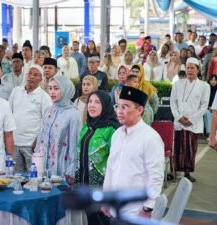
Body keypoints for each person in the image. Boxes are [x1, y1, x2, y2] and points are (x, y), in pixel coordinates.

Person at [102, 86, 164, 223]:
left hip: (135, 212)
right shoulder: (117, 134)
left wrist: (147, 208)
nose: (119, 111)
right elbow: (111, 170)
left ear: (139, 110)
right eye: (118, 106)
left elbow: (156, 176)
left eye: (125, 107)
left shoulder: (150, 138)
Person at [76, 90, 119, 225]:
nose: (92, 105)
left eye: (97, 102)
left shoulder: (111, 130)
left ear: (106, 105)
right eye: (90, 102)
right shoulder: (87, 128)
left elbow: (117, 163)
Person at [34, 75, 81, 182]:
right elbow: (40, 139)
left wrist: (71, 170)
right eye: (50, 88)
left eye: (56, 88)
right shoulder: (48, 111)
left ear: (65, 89)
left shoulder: (73, 113)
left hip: (62, 169)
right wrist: (37, 164)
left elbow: (75, 143)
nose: (52, 92)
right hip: (44, 168)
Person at [170, 57, 210, 182]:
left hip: (194, 123)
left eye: (193, 68)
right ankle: (174, 170)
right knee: (177, 147)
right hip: (179, 122)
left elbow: (204, 106)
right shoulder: (177, 84)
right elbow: (173, 103)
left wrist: (190, 119)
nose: (190, 70)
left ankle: (187, 172)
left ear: (198, 70)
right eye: (188, 68)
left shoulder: (204, 86)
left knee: (190, 148)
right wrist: (179, 117)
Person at [9, 65, 52, 173]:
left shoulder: (44, 97)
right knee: (16, 177)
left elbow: (47, 122)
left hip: (32, 145)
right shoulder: (15, 91)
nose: (31, 77)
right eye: (29, 73)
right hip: (14, 143)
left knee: (33, 177)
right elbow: (8, 115)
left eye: (35, 75)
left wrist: (38, 141)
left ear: (41, 79)